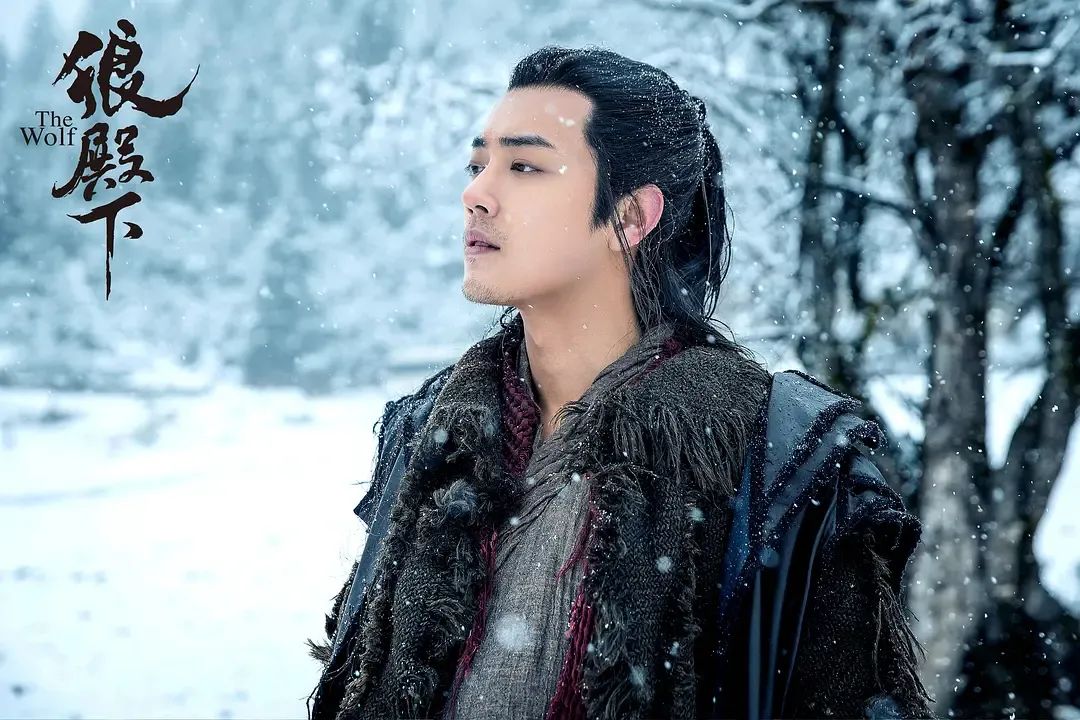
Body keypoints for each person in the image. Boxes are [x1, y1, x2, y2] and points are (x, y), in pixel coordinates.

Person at [306, 45, 936, 720]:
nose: (476, 194)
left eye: (524, 166)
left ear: (632, 217)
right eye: (477, 164)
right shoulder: (430, 435)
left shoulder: (779, 460)